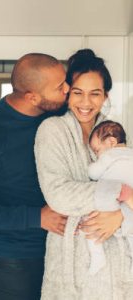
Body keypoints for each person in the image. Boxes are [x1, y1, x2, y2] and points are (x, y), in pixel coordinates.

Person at [0, 53, 69, 300]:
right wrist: (37, 217)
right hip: (12, 261)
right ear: (32, 97)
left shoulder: (54, 116)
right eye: (60, 87)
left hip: (60, 251)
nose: (68, 90)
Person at [34, 49, 133, 299]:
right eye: (78, 93)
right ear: (67, 94)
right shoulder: (52, 130)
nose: (86, 103)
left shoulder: (115, 133)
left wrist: (119, 216)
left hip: (119, 264)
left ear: (105, 96)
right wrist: (120, 196)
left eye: (95, 94)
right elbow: (59, 194)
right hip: (72, 264)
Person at [87, 120, 133, 275]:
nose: (96, 155)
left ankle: (98, 257)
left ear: (111, 142)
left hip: (112, 197)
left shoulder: (109, 156)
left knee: (90, 224)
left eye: (97, 150)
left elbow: (93, 173)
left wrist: (91, 164)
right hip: (129, 203)